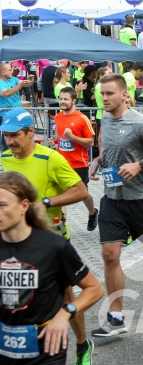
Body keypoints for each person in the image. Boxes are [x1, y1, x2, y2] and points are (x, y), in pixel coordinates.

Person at [0, 108, 96, 364]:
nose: (10, 141)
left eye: (15, 135)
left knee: (66, 296)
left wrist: (46, 201)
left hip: (50, 238)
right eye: (6, 135)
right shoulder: (3, 160)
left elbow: (81, 191)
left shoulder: (50, 158)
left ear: (31, 132)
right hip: (13, 240)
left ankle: (81, 345)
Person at [89, 74, 143, 337]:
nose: (104, 98)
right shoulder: (105, 119)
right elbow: (111, 149)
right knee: (109, 254)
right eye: (102, 94)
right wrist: (99, 160)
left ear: (124, 94)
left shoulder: (139, 124)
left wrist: (140, 165)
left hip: (141, 201)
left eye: (109, 94)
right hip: (112, 199)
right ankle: (116, 318)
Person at [46, 87, 98, 231]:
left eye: (66, 99)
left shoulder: (82, 118)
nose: (62, 102)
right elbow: (61, 136)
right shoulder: (58, 117)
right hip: (61, 161)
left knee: (83, 194)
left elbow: (90, 142)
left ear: (73, 101)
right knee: (61, 194)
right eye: (61, 99)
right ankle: (63, 225)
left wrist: (72, 138)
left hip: (78, 163)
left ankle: (93, 213)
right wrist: (55, 141)